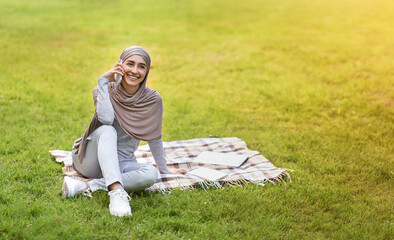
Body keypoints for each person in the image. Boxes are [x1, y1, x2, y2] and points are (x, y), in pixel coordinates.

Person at [62, 46, 186, 217]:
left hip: (122, 163)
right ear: (120, 65)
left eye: (141, 66)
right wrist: (103, 81)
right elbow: (105, 119)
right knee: (108, 130)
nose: (135, 71)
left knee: (151, 174)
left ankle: (89, 186)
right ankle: (117, 194)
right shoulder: (103, 89)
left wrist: (164, 170)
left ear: (147, 71)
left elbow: (155, 137)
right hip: (90, 160)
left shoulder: (152, 99)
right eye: (130, 64)